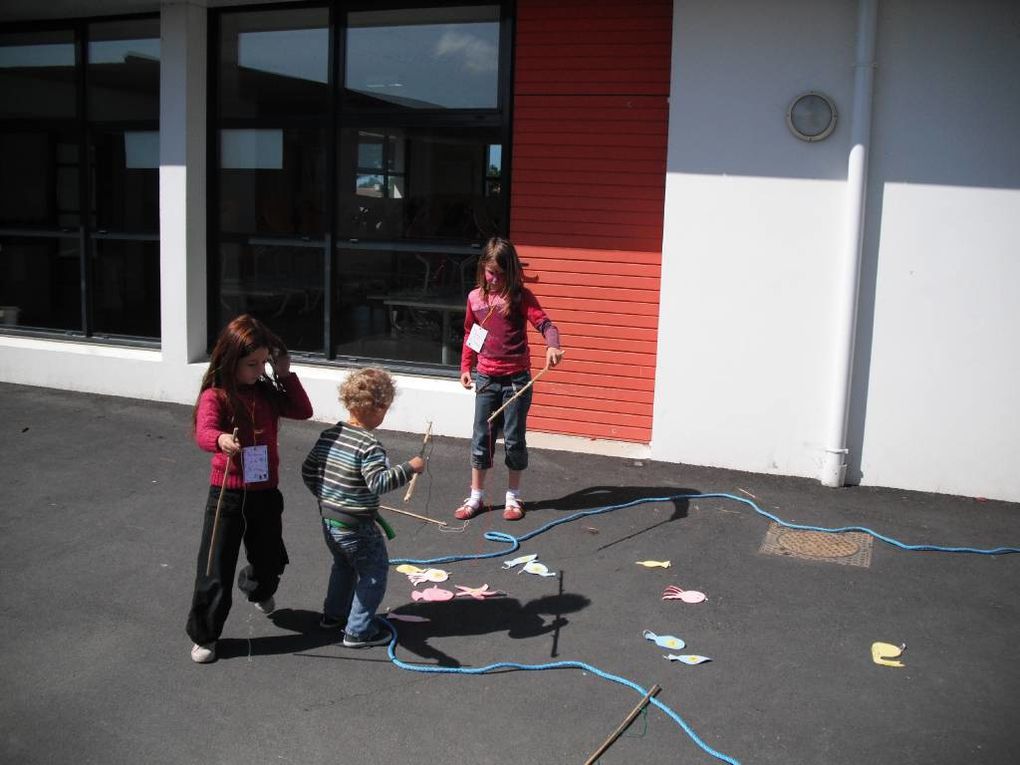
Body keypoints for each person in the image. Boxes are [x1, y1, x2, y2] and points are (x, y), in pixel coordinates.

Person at [186, 314, 313, 664]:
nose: (258, 370)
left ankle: (257, 587)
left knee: (269, 558)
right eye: (250, 364)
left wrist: (284, 373)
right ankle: (206, 635)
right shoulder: (217, 395)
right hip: (227, 492)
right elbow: (203, 431)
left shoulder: (268, 391)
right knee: (215, 568)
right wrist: (221, 438)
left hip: (265, 491)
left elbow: (303, 410)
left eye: (262, 362)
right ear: (230, 361)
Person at [301, 368, 425, 648]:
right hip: (357, 526)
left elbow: (308, 470)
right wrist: (409, 468)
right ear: (378, 407)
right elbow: (378, 482)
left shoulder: (330, 434)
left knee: (343, 566)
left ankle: (333, 617)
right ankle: (357, 630)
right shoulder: (370, 445)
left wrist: (327, 497)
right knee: (374, 572)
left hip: (329, 521)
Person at [455, 237, 564, 522]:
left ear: (511, 272)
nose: (494, 279)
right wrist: (467, 365)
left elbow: (546, 324)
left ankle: (513, 498)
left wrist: (552, 345)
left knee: (514, 441)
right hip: (487, 379)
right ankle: (476, 498)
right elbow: (472, 334)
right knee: (482, 439)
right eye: (490, 272)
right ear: (483, 269)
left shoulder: (520, 297)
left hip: (517, 381)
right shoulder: (475, 299)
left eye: (500, 274)